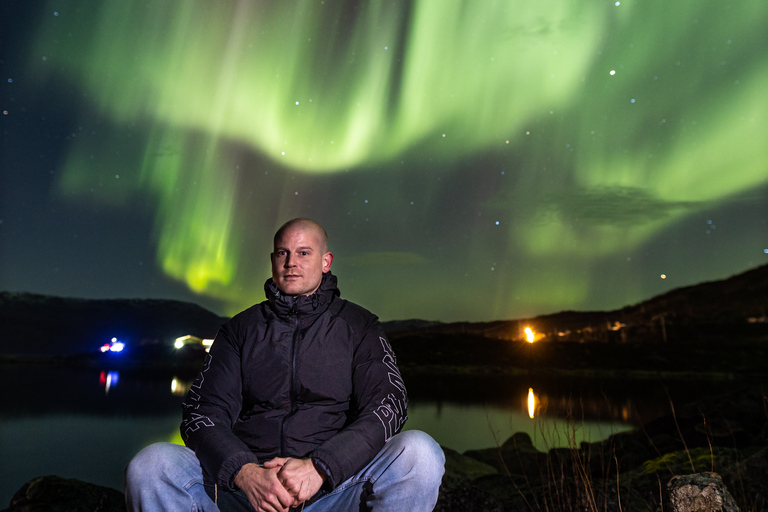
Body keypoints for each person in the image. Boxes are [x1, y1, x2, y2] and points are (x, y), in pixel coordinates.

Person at [125, 218, 445, 511]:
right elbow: (201, 413)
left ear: (325, 261)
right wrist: (244, 471)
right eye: (282, 253)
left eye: (304, 253)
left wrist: (321, 467)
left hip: (333, 490)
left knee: (419, 453)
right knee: (152, 465)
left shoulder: (359, 326)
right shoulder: (240, 329)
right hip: (247, 490)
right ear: (273, 260)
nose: (291, 263)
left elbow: (389, 405)